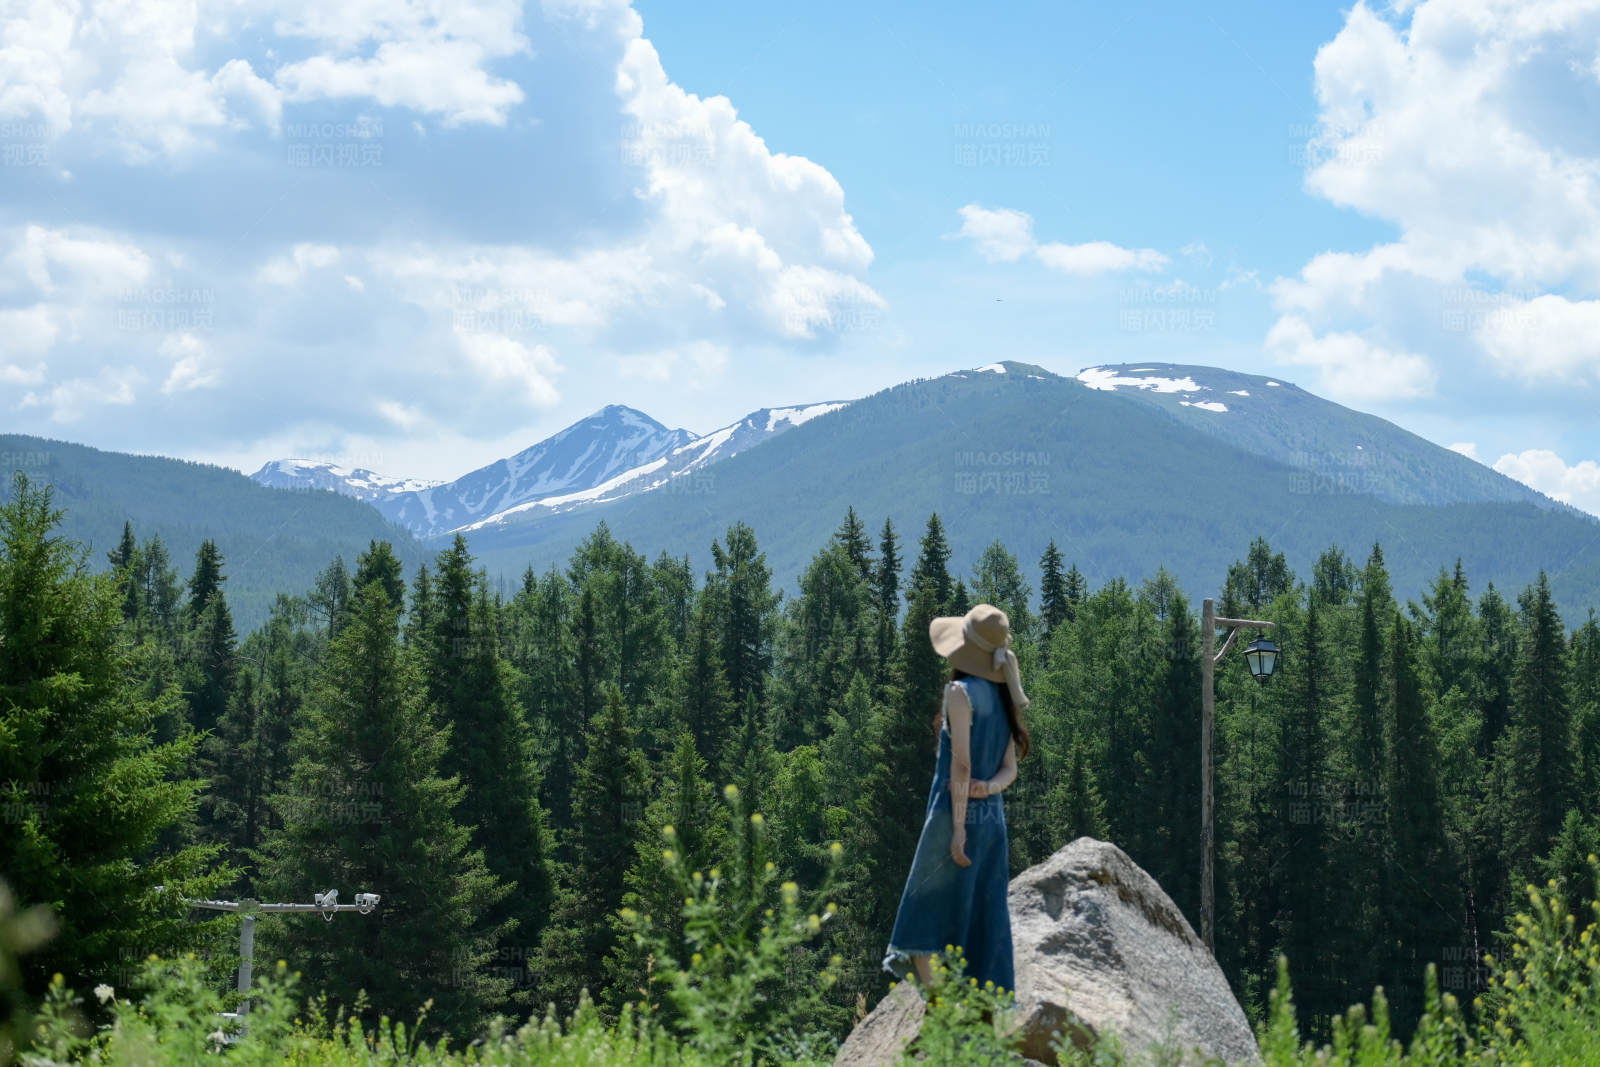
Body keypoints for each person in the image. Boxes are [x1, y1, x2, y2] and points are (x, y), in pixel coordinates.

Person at [880, 602, 1032, 995]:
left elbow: (960, 767)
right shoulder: (1002, 698)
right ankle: (982, 1008)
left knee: (922, 915)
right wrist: (990, 789)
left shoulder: (960, 693)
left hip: (953, 815)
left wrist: (958, 830)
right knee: (983, 918)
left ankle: (942, 1015)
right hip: (992, 823)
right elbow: (1009, 769)